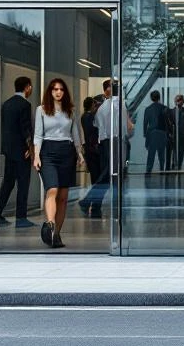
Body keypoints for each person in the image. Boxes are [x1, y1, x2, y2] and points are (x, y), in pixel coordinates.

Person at [32, 78, 85, 249]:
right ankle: (50, 225)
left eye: (61, 89)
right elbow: (38, 135)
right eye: (55, 89)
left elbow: (75, 134)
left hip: (67, 152)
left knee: (63, 197)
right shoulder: (41, 110)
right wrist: (36, 156)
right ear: (50, 91)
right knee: (52, 189)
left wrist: (79, 153)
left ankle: (56, 235)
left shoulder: (70, 111)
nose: (58, 92)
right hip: (48, 152)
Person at [79, 79, 133, 218]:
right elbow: (124, 126)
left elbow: (98, 125)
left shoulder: (104, 107)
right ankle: (89, 201)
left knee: (108, 176)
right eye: (116, 86)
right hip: (113, 142)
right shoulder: (116, 104)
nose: (119, 89)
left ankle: (93, 205)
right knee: (109, 175)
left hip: (107, 143)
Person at [0, 76, 36, 229]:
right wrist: (30, 148)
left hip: (8, 150)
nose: (31, 89)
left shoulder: (6, 104)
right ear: (27, 87)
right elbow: (25, 128)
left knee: (8, 183)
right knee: (23, 183)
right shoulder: (25, 105)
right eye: (30, 87)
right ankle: (21, 218)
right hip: (21, 151)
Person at [143, 90, 170, 174]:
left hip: (152, 133)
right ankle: (162, 169)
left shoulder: (148, 109)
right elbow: (167, 122)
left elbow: (145, 123)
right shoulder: (164, 108)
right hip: (162, 132)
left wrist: (145, 134)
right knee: (161, 153)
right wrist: (168, 133)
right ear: (159, 97)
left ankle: (149, 170)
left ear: (151, 98)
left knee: (151, 153)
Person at [81, 97, 101, 187]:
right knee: (96, 173)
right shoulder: (89, 117)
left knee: (94, 174)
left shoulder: (84, 116)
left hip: (89, 148)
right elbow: (91, 130)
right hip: (92, 148)